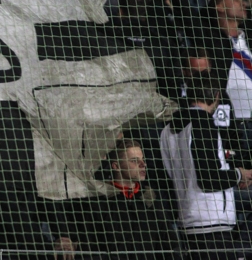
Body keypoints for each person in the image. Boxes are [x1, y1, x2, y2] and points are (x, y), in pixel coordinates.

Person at [160, 76, 252, 260]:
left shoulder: (167, 129)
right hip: (212, 221)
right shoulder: (202, 123)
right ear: (217, 97)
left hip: (189, 217)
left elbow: (172, 174)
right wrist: (240, 174)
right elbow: (209, 179)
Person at [50, 139, 177, 260]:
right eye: (134, 160)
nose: (143, 164)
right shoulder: (97, 200)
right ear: (116, 166)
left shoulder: (150, 199)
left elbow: (168, 243)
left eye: (142, 159)